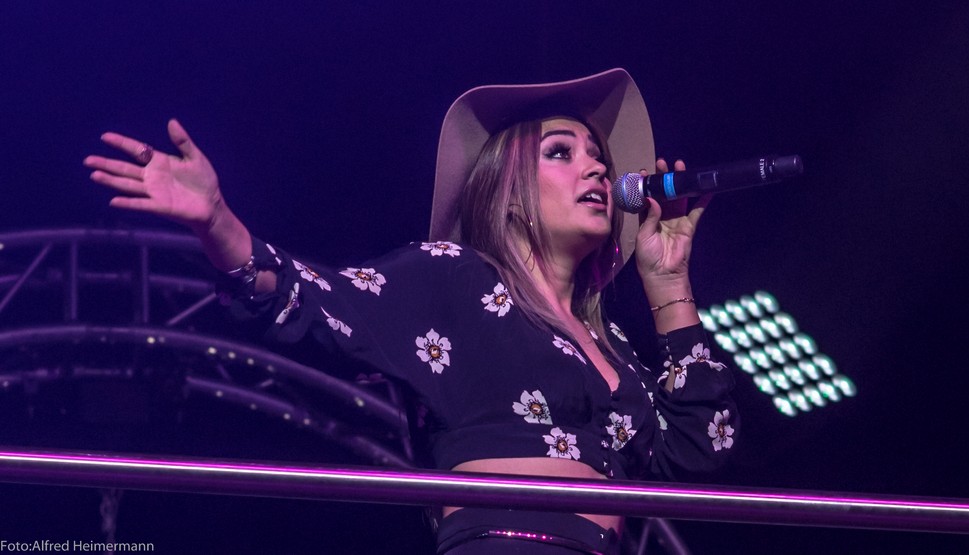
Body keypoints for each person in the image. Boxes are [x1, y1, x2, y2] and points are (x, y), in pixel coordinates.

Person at [84, 68, 738, 555]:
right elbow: (312, 299)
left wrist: (668, 281)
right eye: (562, 153)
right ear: (509, 191)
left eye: (599, 158)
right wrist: (219, 223)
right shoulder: (453, 278)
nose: (596, 170)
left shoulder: (611, 343)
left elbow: (699, 451)